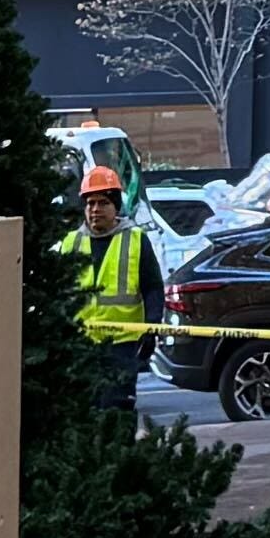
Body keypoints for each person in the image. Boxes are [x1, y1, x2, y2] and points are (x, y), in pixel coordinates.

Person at [65, 162, 163, 416]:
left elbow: (153, 288)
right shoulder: (71, 242)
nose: (95, 209)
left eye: (103, 203)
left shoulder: (135, 239)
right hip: (81, 344)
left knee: (117, 409)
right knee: (81, 411)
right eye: (90, 203)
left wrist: (152, 328)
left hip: (122, 344)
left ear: (115, 206)